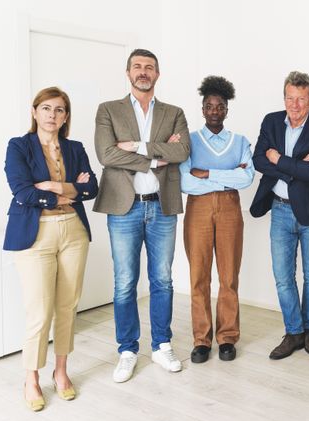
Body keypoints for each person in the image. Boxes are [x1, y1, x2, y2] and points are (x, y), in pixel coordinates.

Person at [94, 48, 190, 383]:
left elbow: (182, 151)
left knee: (162, 280)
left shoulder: (174, 112)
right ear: (128, 72)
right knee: (124, 283)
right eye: (137, 66)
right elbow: (106, 154)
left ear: (157, 74)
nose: (143, 72)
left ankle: (162, 345)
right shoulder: (108, 109)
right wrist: (154, 156)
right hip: (124, 207)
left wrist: (134, 146)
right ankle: (127, 350)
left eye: (149, 67)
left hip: (161, 205)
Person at [4, 86, 98, 411]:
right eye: (46, 108)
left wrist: (57, 186)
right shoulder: (18, 146)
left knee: (66, 306)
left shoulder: (75, 148)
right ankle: (31, 378)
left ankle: (61, 372)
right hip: (35, 234)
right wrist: (66, 192)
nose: (52, 115)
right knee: (39, 311)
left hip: (73, 231)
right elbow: (21, 190)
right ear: (35, 112)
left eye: (59, 110)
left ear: (66, 116)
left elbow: (92, 188)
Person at [250, 71, 309, 360]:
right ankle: (294, 331)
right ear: (283, 97)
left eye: (301, 99)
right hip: (280, 208)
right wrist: (295, 165)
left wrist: (279, 159)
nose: (294, 104)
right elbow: (258, 160)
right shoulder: (271, 121)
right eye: (289, 98)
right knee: (283, 276)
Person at [181, 76, 254, 363]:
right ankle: (201, 339)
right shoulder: (189, 140)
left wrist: (208, 173)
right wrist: (228, 177)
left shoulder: (239, 142)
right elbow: (186, 181)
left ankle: (227, 337)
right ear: (202, 109)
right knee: (199, 276)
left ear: (226, 109)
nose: (214, 111)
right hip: (197, 208)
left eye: (219, 106)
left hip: (230, 210)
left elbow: (246, 177)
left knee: (228, 276)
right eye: (209, 106)